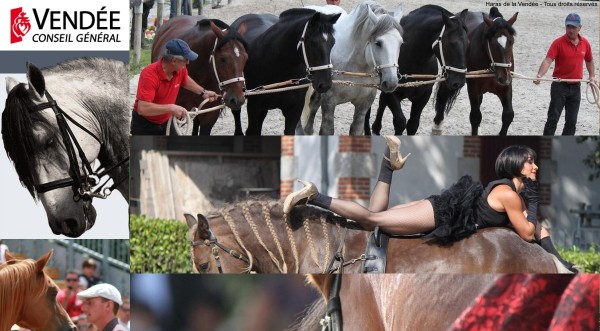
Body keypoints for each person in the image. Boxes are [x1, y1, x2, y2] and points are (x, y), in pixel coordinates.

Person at [284, 138, 578, 272]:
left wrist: (561, 264)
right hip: (440, 213)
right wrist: (536, 198)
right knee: (371, 221)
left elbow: (536, 229)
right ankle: (315, 197)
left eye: (534, 161)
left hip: (446, 212)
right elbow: (527, 234)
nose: (535, 166)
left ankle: (389, 164)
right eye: (530, 162)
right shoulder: (510, 194)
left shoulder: (512, 195)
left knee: (375, 217)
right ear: (516, 164)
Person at [131, 38, 219, 135]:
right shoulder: (149, 75)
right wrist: (171, 108)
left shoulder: (180, 69)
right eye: (186, 59)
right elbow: (143, 108)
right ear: (174, 61)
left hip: (166, 122)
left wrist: (203, 92)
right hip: (144, 125)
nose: (188, 62)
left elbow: (185, 80)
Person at [534, 13, 596, 135]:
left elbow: (589, 60)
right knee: (553, 119)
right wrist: (540, 75)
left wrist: (592, 76)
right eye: (568, 27)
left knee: (571, 122)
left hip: (576, 87)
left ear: (580, 27)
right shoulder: (558, 42)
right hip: (559, 86)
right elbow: (548, 60)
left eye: (573, 27)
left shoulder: (585, 43)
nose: (571, 30)